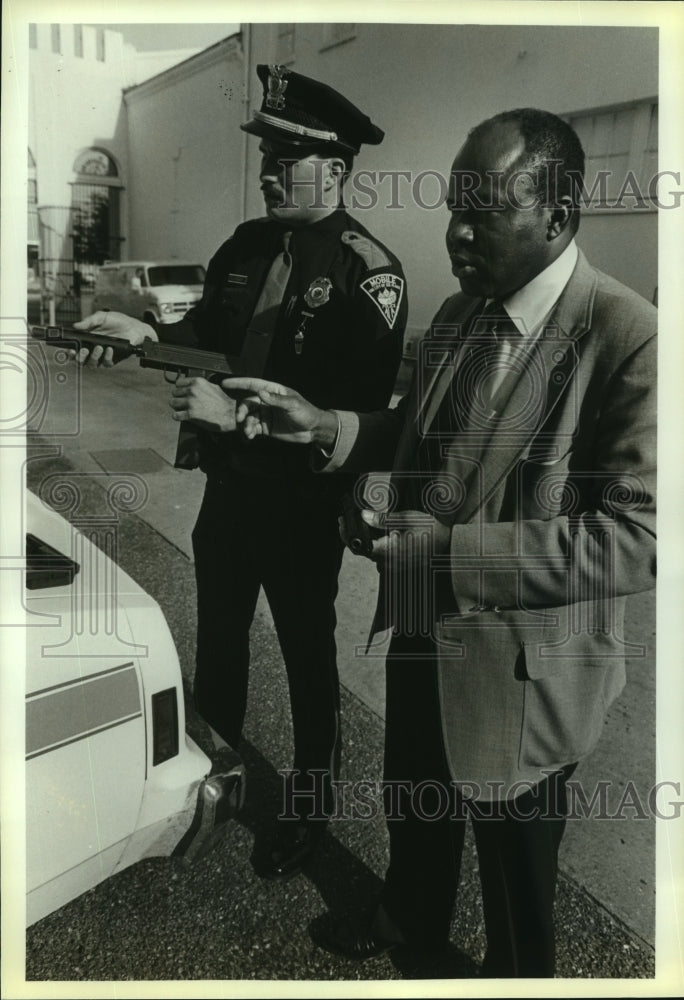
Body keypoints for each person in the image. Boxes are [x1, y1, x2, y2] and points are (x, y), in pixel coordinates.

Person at [221, 108, 657, 976]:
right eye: (453, 206)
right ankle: (408, 914)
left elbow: (635, 538)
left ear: (558, 218)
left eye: (483, 211)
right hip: (421, 617)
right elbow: (410, 437)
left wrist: (447, 556)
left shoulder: (630, 335)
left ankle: (514, 976)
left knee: (513, 865)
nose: (456, 231)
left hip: (522, 669)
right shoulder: (461, 311)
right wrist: (324, 430)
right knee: (412, 797)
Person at [72, 65, 407, 880]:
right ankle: (210, 777)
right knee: (218, 642)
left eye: (285, 156)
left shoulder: (371, 274)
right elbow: (216, 340)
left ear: (334, 168)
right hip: (229, 495)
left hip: (298, 508)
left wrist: (242, 419)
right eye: (265, 153)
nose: (265, 170)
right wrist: (138, 332)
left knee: (305, 658)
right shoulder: (247, 244)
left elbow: (350, 424)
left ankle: (308, 804)